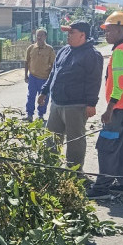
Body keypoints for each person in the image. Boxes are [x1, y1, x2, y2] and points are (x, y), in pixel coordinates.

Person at [86, 11, 123, 200]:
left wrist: (110, 107)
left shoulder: (120, 51)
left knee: (107, 146)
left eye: (109, 30)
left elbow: (121, 82)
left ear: (121, 30)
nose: (106, 34)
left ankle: (102, 188)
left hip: (119, 110)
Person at [38, 20, 103, 170]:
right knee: (51, 138)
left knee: (75, 141)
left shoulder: (92, 55)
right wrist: (44, 91)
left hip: (76, 105)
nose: (68, 36)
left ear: (82, 35)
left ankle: (74, 172)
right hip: (57, 104)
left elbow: (94, 81)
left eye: (71, 32)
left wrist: (91, 104)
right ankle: (50, 169)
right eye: (68, 32)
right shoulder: (64, 50)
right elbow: (53, 73)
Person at [24, 28, 56, 121]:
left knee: (43, 98)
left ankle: (41, 115)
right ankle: (29, 114)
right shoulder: (31, 48)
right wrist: (26, 75)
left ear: (45, 37)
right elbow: (26, 62)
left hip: (45, 78)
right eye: (38, 35)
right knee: (30, 96)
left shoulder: (50, 49)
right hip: (33, 77)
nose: (39, 37)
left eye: (41, 35)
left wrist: (51, 79)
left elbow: (53, 65)